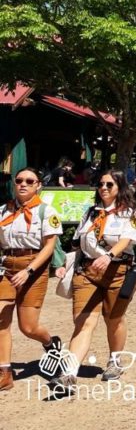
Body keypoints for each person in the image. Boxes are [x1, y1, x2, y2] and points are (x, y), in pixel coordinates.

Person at [51, 170, 136, 389]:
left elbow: (127, 239)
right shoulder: (91, 212)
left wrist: (109, 256)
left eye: (109, 185)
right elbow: (77, 243)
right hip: (87, 271)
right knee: (83, 321)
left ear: (120, 188)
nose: (103, 188)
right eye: (100, 184)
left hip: (118, 271)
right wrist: (63, 264)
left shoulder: (129, 213)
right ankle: (69, 374)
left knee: (114, 319)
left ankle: (114, 360)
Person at [0, 167, 62, 391]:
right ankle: (5, 373)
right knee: (1, 318)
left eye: (29, 181)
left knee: (28, 327)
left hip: (33, 269)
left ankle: (50, 343)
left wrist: (28, 271)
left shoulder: (46, 211)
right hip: (7, 268)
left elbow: (49, 247)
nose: (23, 184)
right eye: (19, 180)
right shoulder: (3, 212)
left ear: (38, 186)